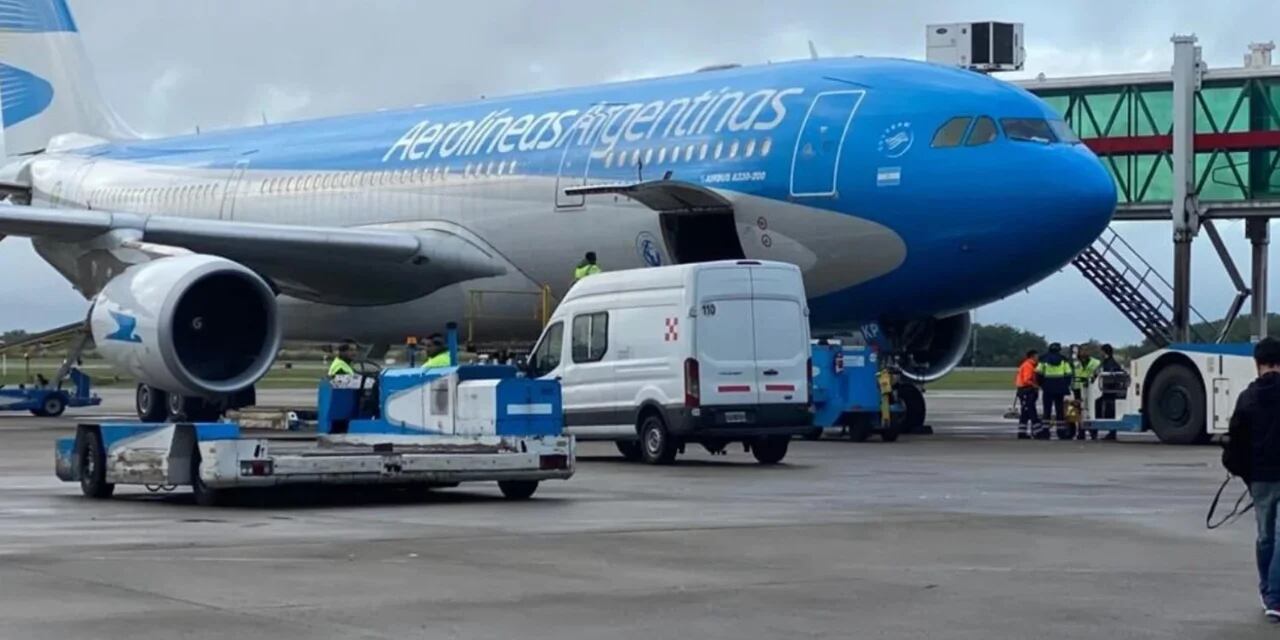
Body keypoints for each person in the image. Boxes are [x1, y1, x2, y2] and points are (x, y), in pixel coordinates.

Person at [1223, 337, 1280, 621]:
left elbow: (1236, 444)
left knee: (1266, 536)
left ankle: (1267, 589)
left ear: (1257, 364)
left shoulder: (1247, 398)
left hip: (1260, 478)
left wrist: (1246, 475)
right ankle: (1275, 596)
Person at [1036, 342, 1072, 439]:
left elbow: (1038, 373)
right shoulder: (1064, 360)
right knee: (1059, 410)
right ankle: (1061, 432)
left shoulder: (1043, 359)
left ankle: (1045, 432)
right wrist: (1065, 385)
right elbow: (1068, 374)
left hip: (1048, 387)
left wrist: (1041, 384)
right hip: (1060, 387)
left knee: (1047, 410)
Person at [1072, 345, 1102, 440]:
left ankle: (1093, 432)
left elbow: (1099, 374)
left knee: (1091, 410)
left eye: (1086, 350)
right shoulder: (1074, 362)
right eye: (1082, 350)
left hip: (1091, 389)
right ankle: (1081, 432)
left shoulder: (1095, 362)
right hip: (1077, 388)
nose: (1084, 352)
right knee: (1079, 411)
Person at [1096, 344, 1124, 440]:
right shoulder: (1112, 362)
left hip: (1109, 390)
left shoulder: (1109, 363)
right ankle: (1111, 432)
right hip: (1110, 390)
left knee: (1108, 410)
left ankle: (1110, 431)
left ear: (1104, 352)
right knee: (1109, 410)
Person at [1014, 349, 1041, 439]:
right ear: (1032, 357)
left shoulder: (1029, 365)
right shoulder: (1028, 366)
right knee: (1031, 411)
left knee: (1025, 413)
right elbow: (1026, 380)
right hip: (1026, 390)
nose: (1038, 358)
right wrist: (1035, 385)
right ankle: (1037, 432)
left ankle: (1022, 432)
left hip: (1024, 391)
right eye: (1037, 357)